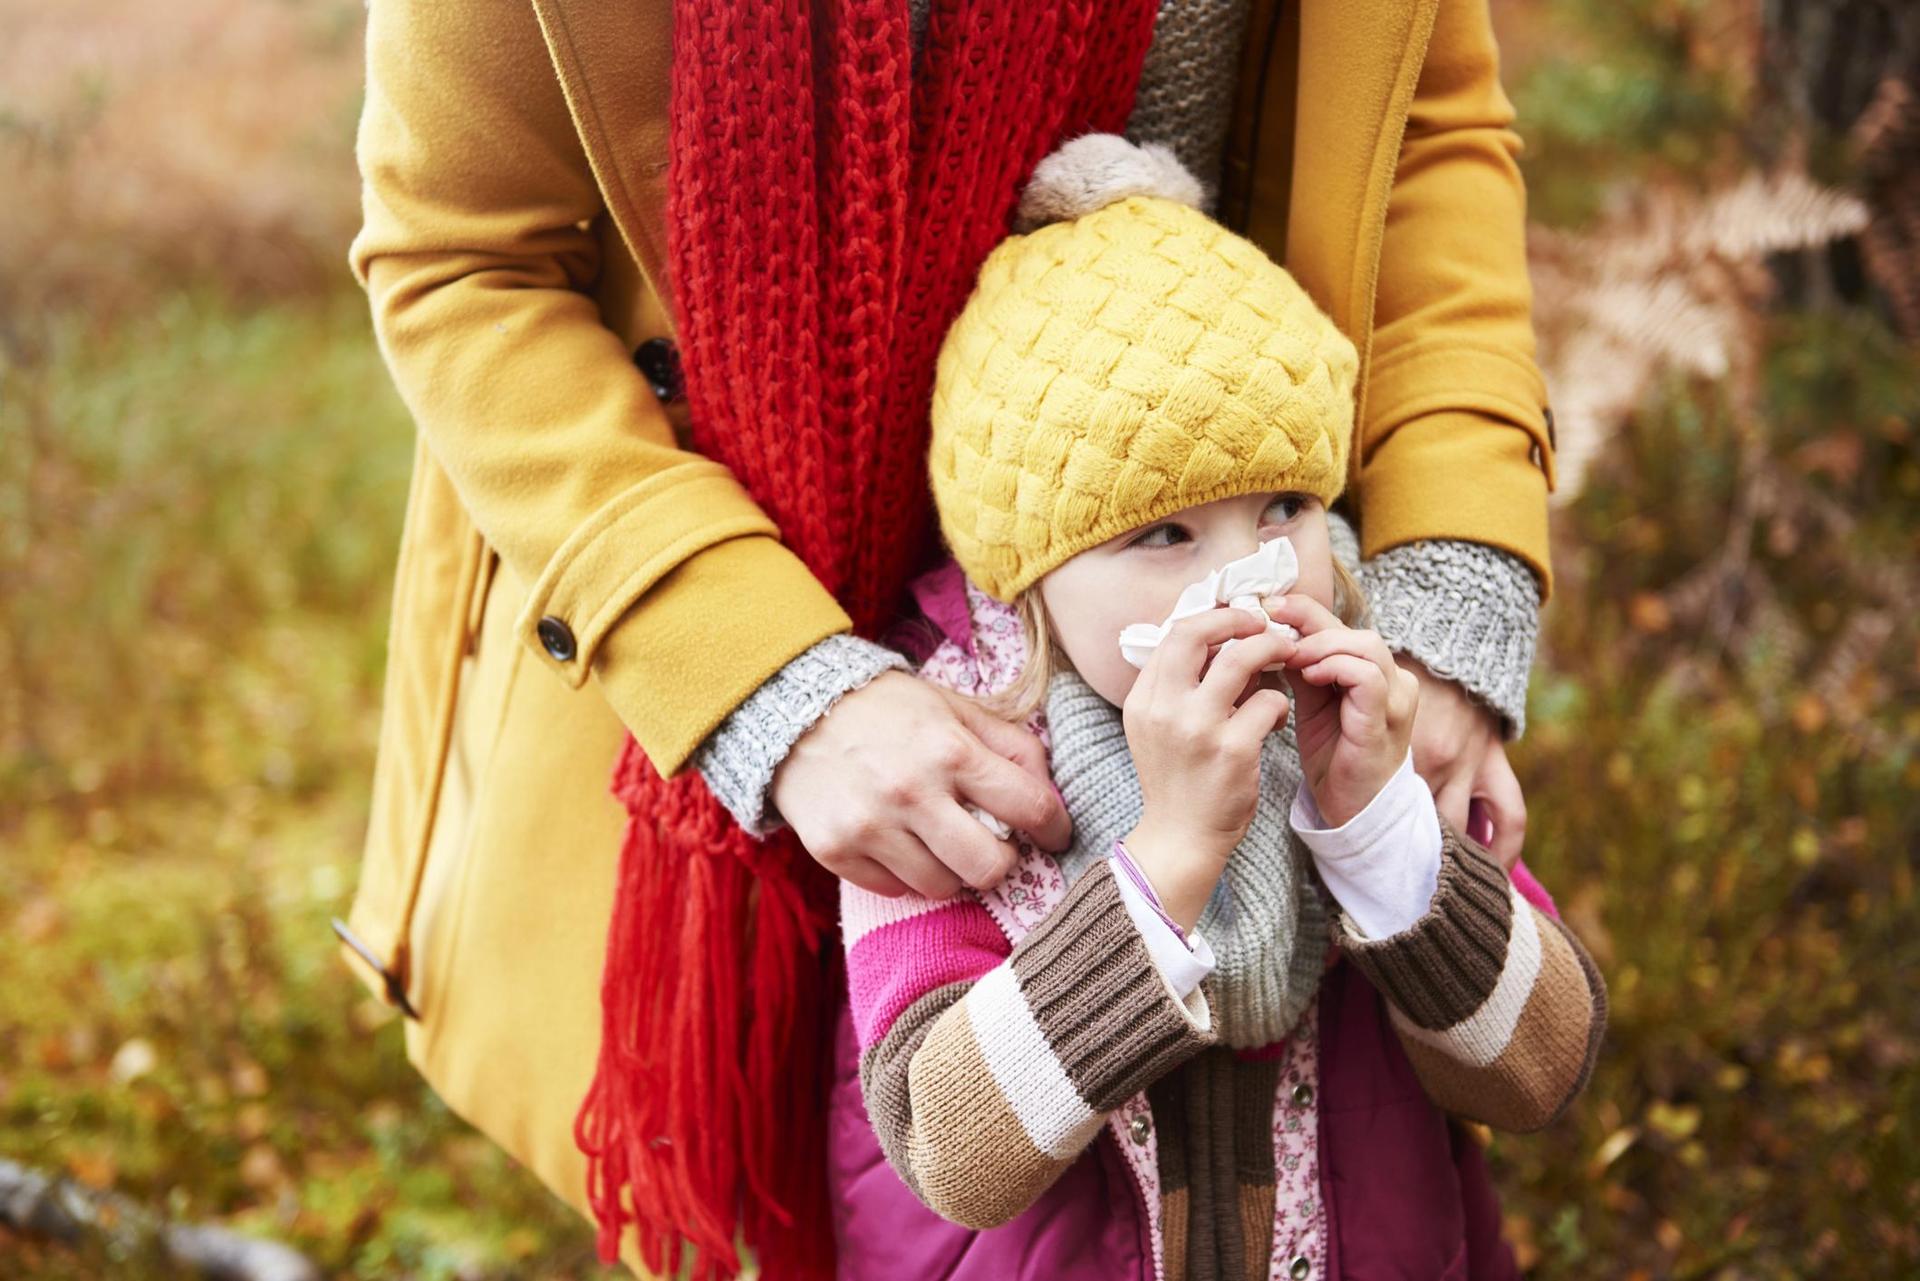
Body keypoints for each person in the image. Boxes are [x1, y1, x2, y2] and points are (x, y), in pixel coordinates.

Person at [338, 0, 1560, 1273]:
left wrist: (1445, 589)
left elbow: (1419, 126)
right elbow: (462, 258)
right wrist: (764, 682)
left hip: (1231, 408)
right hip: (774, 573)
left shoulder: (1331, 709)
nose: (1243, 582)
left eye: (1277, 530)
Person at [831, 134, 1604, 1280]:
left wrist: (1377, 826)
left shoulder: (1368, 694)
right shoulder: (946, 755)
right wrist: (1174, 852)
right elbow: (955, 1154)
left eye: (1285, 506)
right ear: (1028, 569)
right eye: (1165, 534)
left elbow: (1539, 1070)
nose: (1255, 579)